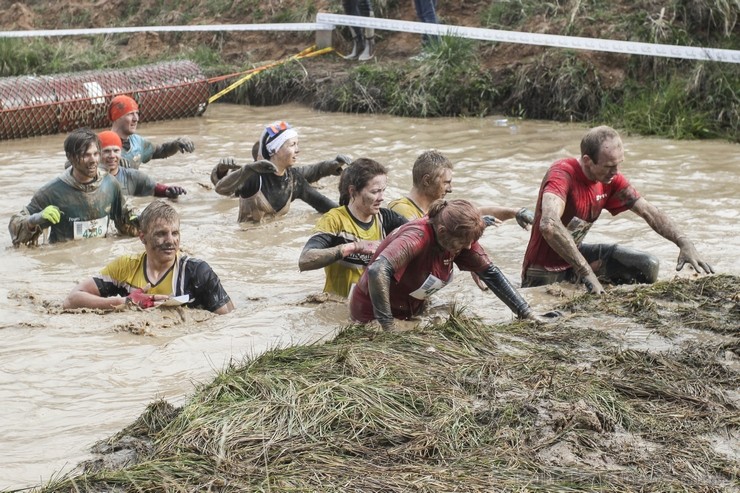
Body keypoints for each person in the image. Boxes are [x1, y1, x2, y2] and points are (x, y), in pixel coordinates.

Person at [522, 125, 714, 294]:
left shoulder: (610, 180)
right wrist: (586, 272)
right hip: (543, 268)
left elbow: (648, 210)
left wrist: (683, 242)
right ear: (588, 161)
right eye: (609, 166)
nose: (615, 172)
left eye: (618, 164)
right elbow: (548, 224)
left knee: (647, 266)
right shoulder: (562, 174)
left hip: (576, 258)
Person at [349, 199, 552, 330]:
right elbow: (378, 270)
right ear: (443, 231)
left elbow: (490, 273)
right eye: (463, 243)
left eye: (470, 242)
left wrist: (527, 313)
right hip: (372, 313)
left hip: (409, 306)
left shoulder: (460, 240)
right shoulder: (417, 236)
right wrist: (388, 326)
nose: (467, 247)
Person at [63, 200, 234, 314]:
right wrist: (126, 302)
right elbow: (71, 300)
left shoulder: (197, 272)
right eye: (161, 234)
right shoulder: (125, 267)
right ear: (142, 237)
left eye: (175, 233)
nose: (170, 241)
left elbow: (226, 323)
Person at [9, 128, 139, 247]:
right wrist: (34, 220)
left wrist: (137, 219)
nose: (93, 160)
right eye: (86, 155)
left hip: (100, 255)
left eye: (95, 154)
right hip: (65, 262)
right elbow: (15, 227)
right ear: (70, 157)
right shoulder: (53, 191)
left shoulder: (110, 183)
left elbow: (126, 218)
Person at [299, 158, 408, 297]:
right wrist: (355, 247)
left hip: (372, 304)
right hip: (338, 305)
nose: (382, 198)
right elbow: (305, 260)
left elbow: (420, 236)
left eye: (383, 191)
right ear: (353, 191)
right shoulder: (334, 220)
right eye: (375, 192)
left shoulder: (388, 219)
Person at [211, 121, 339, 223]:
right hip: (250, 244)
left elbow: (324, 204)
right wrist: (247, 169)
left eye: (297, 144)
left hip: (277, 245)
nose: (297, 150)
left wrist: (350, 214)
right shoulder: (255, 176)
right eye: (292, 145)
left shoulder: (293, 179)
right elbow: (221, 189)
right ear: (276, 149)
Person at [388, 150, 534, 227]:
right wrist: (472, 224)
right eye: (446, 182)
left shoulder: (435, 209)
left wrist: (515, 213)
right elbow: (423, 233)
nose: (450, 189)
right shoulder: (400, 209)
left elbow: (478, 211)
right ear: (427, 180)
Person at [210, 139, 352, 190]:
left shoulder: (288, 175)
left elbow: (315, 170)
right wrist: (221, 169)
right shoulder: (250, 177)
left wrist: (334, 163)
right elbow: (224, 186)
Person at [109, 94, 195, 169]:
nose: (136, 119)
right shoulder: (101, 144)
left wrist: (177, 143)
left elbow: (162, 151)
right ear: (117, 117)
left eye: (137, 113)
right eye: (130, 114)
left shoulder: (138, 142)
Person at [97, 131, 187, 199]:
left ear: (121, 152)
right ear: (97, 154)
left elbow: (156, 189)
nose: (112, 156)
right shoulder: (88, 178)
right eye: (106, 151)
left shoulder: (132, 176)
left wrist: (170, 191)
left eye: (116, 151)